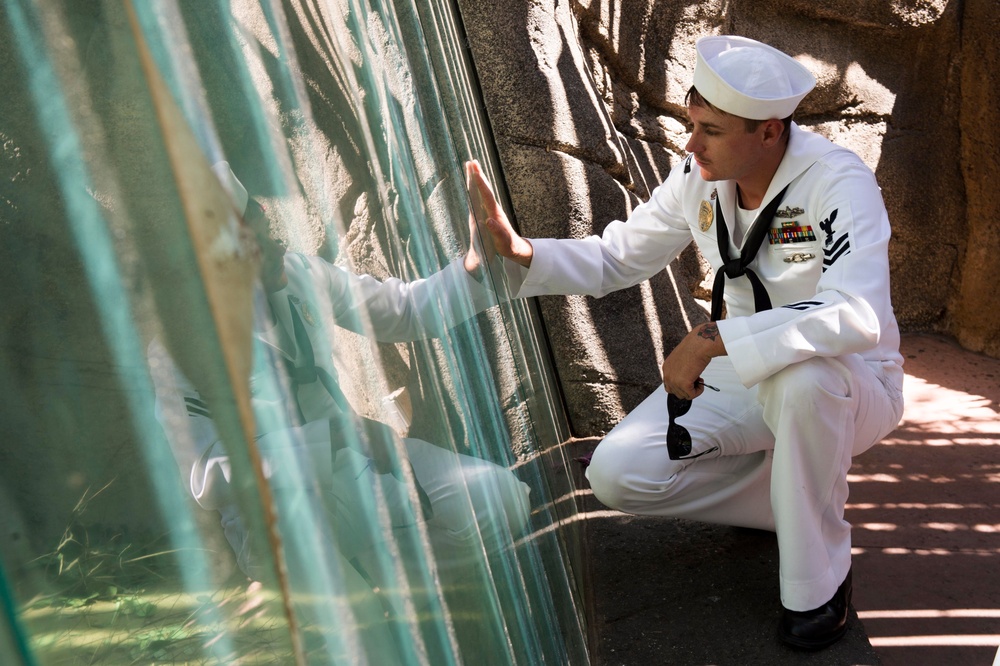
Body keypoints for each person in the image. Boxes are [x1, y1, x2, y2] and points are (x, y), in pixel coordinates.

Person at [468, 35, 904, 650]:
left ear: (770, 133)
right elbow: (618, 256)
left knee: (803, 380)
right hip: (741, 370)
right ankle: (789, 497)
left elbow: (856, 314)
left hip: (847, 378)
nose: (690, 143)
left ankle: (820, 585)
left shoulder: (838, 181)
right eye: (691, 123)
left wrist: (712, 339)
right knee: (619, 477)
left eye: (711, 130)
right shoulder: (698, 176)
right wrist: (524, 252)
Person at [148, 162, 531, 627]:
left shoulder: (300, 273)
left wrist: (474, 264)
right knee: (362, 629)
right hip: (276, 519)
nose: (276, 244)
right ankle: (361, 617)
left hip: (358, 472)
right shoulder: (176, 351)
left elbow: (404, 310)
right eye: (255, 241)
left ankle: (402, 598)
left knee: (503, 501)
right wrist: (331, 437)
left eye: (267, 226)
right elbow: (206, 475)